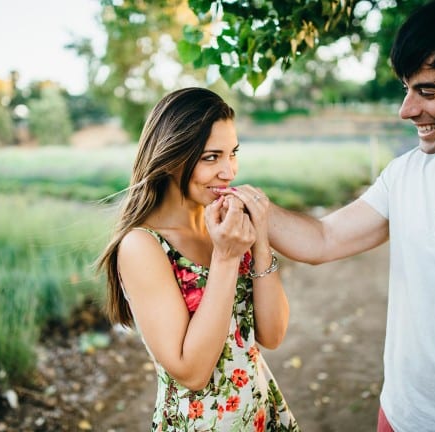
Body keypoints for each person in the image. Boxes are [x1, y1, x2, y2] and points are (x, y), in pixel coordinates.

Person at [224, 0, 435, 430]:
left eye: (428, 92)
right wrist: (238, 197)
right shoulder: (409, 170)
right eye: (407, 89)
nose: (407, 110)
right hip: (396, 415)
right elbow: (322, 239)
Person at [98, 87, 301, 431]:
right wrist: (226, 257)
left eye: (232, 153)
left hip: (260, 414)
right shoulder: (142, 246)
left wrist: (260, 236)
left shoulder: (224, 226)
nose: (229, 171)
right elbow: (191, 371)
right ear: (172, 158)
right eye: (211, 157)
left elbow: (272, 334)